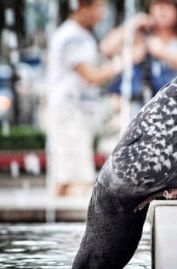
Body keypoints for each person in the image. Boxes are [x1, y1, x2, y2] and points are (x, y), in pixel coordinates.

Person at [46, 0, 123, 197]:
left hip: (70, 111)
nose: (102, 14)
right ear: (82, 6)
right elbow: (91, 76)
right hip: (70, 112)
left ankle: (57, 224)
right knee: (79, 178)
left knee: (65, 177)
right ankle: (78, 226)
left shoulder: (77, 34)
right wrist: (123, 63)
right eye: (99, 7)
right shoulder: (72, 36)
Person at [100, 0, 177, 116]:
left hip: (173, 105)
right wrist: (132, 24)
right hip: (137, 104)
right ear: (149, 9)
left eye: (168, 4)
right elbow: (106, 49)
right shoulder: (141, 34)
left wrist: (162, 52)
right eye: (157, 4)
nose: (162, 9)